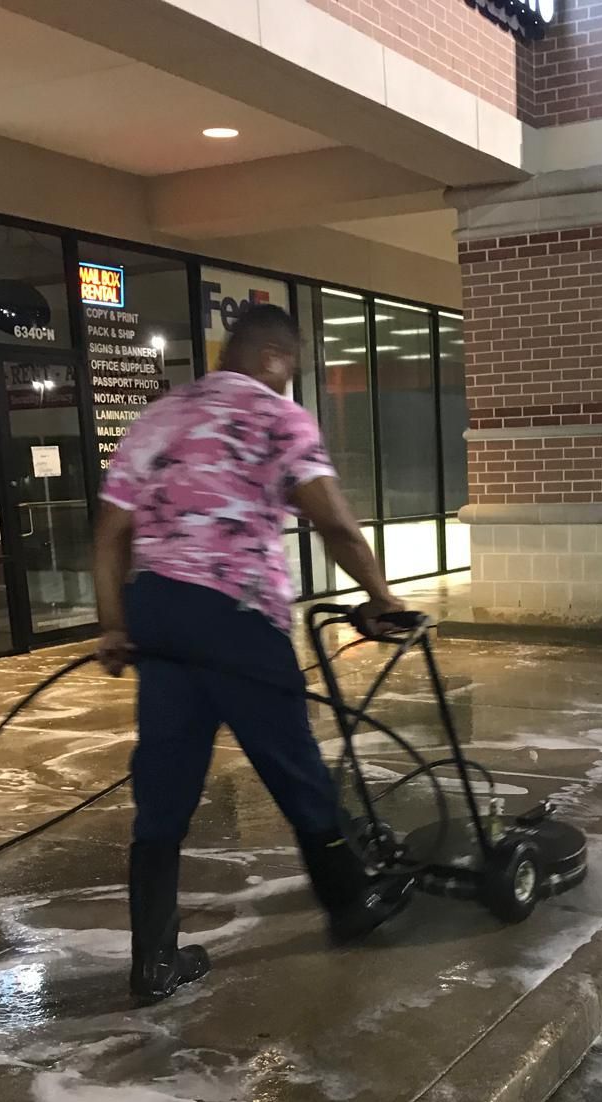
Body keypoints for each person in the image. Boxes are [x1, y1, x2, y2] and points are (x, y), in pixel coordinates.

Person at [93, 303, 411, 1004]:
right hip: (237, 615)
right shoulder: (276, 417)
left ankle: (153, 963)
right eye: (290, 365)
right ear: (273, 357)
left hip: (160, 616)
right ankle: (351, 904)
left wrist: (114, 625)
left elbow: (110, 531)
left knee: (164, 784)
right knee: (292, 763)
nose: (289, 377)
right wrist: (382, 595)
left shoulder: (161, 416)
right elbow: (332, 520)